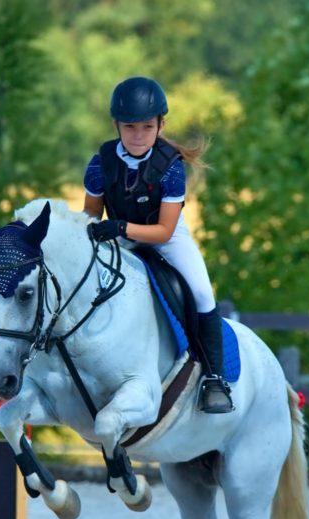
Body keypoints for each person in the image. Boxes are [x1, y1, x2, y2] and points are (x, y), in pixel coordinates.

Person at [83, 76, 233, 414]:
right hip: (118, 237)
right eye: (130, 127)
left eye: (147, 127)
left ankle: (214, 378)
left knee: (202, 293)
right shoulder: (100, 164)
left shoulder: (170, 168)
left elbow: (163, 231)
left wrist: (122, 228)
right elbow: (90, 216)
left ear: (161, 125)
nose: (138, 135)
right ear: (116, 125)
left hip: (165, 237)